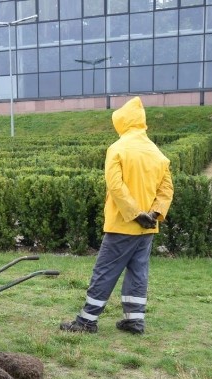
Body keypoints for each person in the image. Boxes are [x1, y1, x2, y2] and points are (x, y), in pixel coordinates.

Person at [60, 96, 173, 335]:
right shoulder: (157, 154)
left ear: (121, 122)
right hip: (147, 228)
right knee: (138, 272)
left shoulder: (118, 149)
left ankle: (87, 321)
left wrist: (134, 213)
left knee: (105, 271)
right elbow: (166, 190)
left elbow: (115, 186)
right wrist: (154, 213)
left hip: (123, 224)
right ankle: (134, 321)